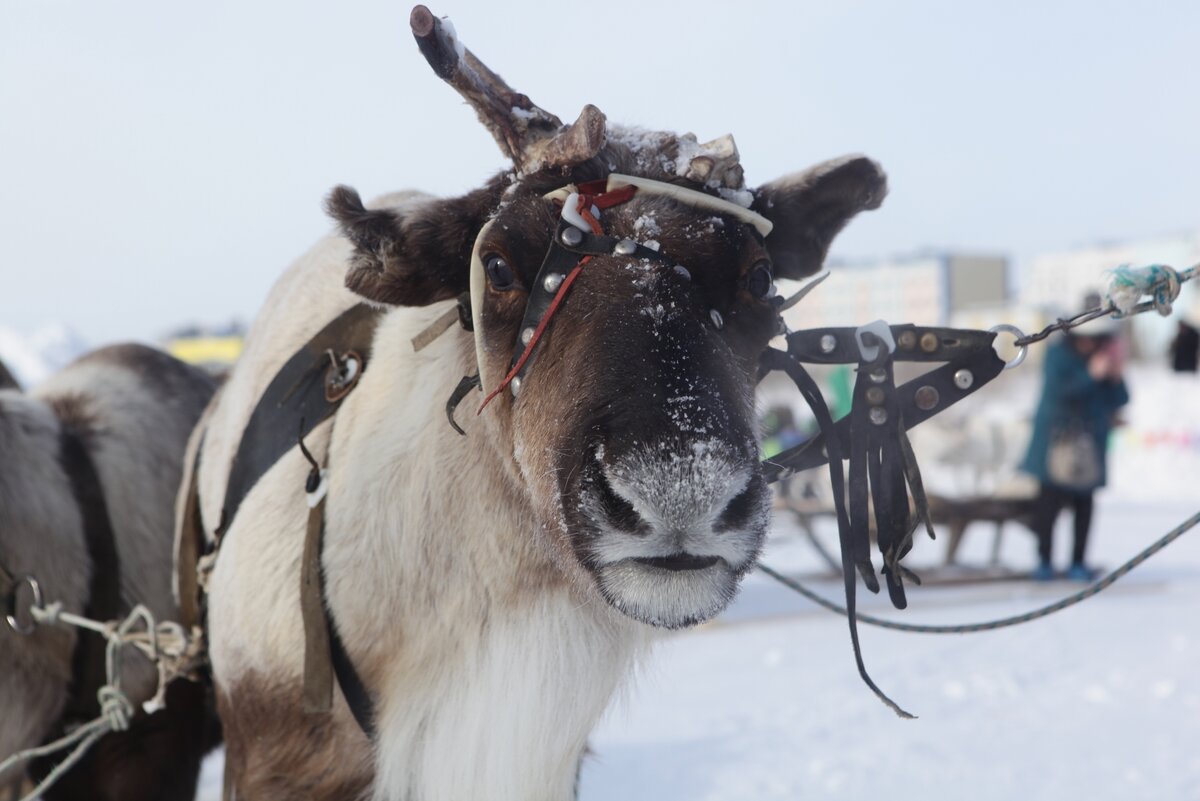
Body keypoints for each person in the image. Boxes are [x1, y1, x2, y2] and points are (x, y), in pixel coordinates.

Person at [1019, 315, 1129, 581]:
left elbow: (1121, 398)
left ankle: (1078, 562)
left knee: (1084, 506)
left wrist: (1114, 377)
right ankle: (1044, 561)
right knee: (1048, 506)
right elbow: (1060, 392)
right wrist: (1090, 375)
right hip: (1056, 445)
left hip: (1088, 448)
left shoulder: (1104, 357)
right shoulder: (1058, 355)